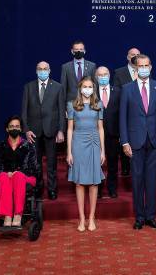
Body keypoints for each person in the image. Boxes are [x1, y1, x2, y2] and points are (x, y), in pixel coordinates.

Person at [119, 54, 156, 230]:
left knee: (151, 181)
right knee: (137, 180)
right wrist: (124, 141)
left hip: (155, 140)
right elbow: (122, 118)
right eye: (140, 65)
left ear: (151, 67)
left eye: (147, 65)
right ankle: (139, 217)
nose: (144, 68)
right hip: (135, 141)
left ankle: (151, 216)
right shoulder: (127, 89)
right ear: (135, 68)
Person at [21, 61, 65, 200]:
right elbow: (24, 111)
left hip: (51, 130)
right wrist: (26, 130)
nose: (42, 71)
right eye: (40, 69)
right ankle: (37, 189)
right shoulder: (28, 87)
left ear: (50, 70)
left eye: (45, 69)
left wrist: (60, 130)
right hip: (33, 132)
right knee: (35, 163)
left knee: (51, 163)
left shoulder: (58, 87)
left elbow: (61, 110)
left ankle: (52, 189)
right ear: (36, 71)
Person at [67, 77, 106, 232]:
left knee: (94, 182)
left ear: (93, 88)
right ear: (80, 88)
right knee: (79, 182)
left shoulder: (98, 105)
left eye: (90, 86)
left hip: (94, 142)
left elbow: (101, 128)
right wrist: (68, 151)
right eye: (85, 86)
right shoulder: (72, 105)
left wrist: (103, 150)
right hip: (78, 143)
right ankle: (81, 218)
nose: (88, 89)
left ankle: (91, 217)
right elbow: (70, 129)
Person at [0, 116, 39, 228]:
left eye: (17, 126)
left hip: (25, 177)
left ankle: (18, 215)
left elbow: (33, 167)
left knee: (18, 176)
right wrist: (7, 173)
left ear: (21, 129)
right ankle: (7, 215)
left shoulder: (29, 146)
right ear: (7, 129)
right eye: (12, 126)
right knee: (3, 176)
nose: (14, 128)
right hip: (5, 177)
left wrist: (19, 172)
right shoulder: (0, 147)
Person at [111, 48, 139, 176]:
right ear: (128, 57)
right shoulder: (119, 72)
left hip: (140, 113)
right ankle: (126, 167)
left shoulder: (144, 71)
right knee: (125, 138)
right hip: (125, 111)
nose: (135, 57)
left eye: (138, 55)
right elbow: (116, 94)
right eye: (133, 55)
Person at [95, 67, 121, 198]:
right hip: (95, 134)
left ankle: (112, 188)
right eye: (100, 75)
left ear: (109, 75)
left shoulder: (118, 91)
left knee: (113, 163)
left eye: (105, 74)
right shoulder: (92, 92)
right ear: (96, 77)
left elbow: (122, 114)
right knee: (97, 163)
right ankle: (98, 190)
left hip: (114, 134)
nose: (103, 77)